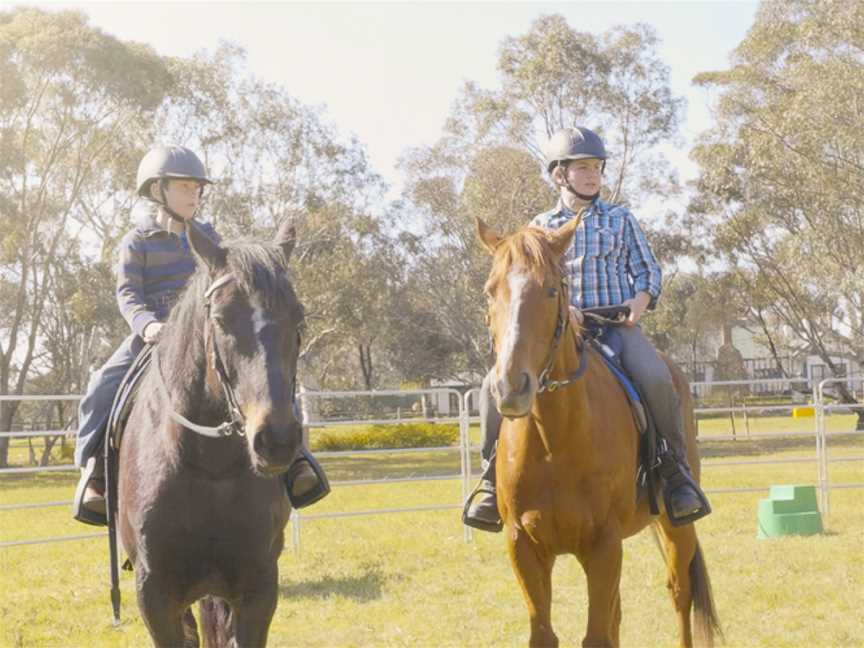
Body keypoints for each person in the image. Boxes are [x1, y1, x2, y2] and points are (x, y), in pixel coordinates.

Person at [463, 127, 710, 532]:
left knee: (656, 378)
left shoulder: (620, 218)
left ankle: (675, 474)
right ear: (560, 175)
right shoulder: (540, 226)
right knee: (493, 386)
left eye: (596, 167)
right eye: (582, 168)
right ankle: (492, 480)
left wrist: (638, 304)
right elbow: (530, 285)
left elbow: (648, 272)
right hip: (563, 330)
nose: (592, 175)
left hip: (616, 328)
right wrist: (564, 310)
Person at [72, 145, 329, 526]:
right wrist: (147, 325)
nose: (193, 195)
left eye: (197, 189)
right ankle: (94, 475)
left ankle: (295, 463)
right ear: (157, 190)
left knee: (263, 376)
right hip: (153, 336)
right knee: (101, 385)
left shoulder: (211, 237)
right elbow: (128, 294)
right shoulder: (137, 241)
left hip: (203, 337)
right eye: (184, 187)